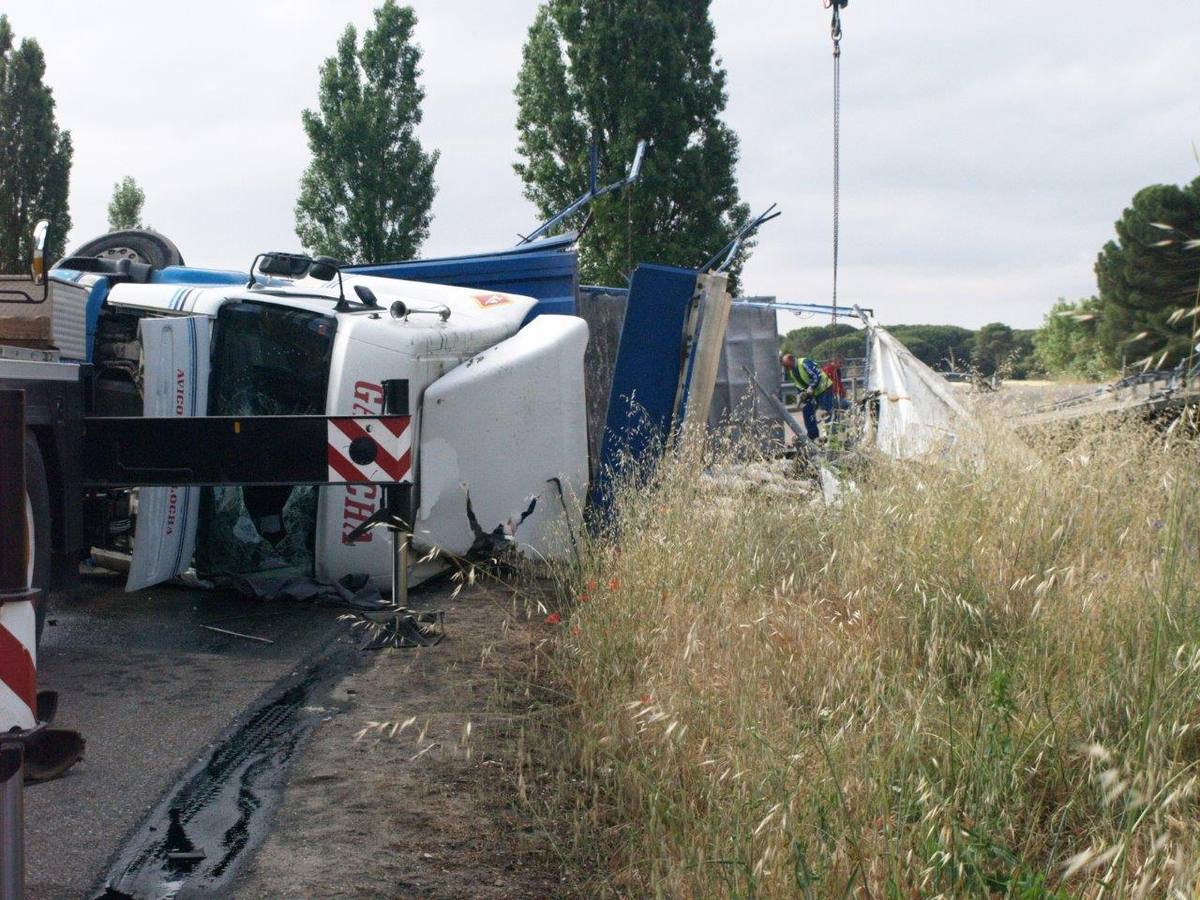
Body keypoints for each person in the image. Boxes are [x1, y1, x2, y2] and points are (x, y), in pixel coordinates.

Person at [781, 352, 836, 440]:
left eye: (787, 365)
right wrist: (801, 394)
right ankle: (813, 436)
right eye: (785, 367)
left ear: (791, 360)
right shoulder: (792, 372)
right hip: (812, 392)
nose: (787, 368)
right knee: (807, 411)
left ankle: (832, 437)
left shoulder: (803, 363)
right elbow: (798, 385)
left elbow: (816, 375)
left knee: (826, 412)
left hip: (823, 388)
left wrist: (811, 386)